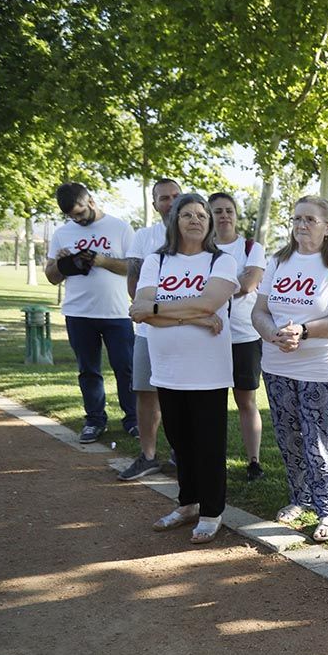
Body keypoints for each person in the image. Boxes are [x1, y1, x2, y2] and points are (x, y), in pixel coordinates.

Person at [253, 196, 328, 543]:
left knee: (319, 442)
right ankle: (299, 498)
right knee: (288, 437)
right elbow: (258, 310)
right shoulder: (278, 260)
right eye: (297, 218)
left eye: (310, 220)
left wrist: (305, 331)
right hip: (278, 365)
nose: (302, 225)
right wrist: (272, 334)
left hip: (323, 369)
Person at [129, 193, 238, 544]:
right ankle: (188, 503)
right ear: (174, 219)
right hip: (167, 370)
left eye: (201, 215)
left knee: (208, 444)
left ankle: (211, 511)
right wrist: (196, 317)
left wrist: (160, 311)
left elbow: (210, 302)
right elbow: (139, 308)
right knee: (180, 442)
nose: (195, 219)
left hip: (208, 371)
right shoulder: (156, 261)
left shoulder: (220, 261)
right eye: (187, 214)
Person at [45, 182, 138, 444]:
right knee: (88, 370)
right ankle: (95, 420)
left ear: (91, 202)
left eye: (80, 212)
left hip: (117, 312)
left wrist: (102, 261)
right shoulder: (62, 233)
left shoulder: (120, 227)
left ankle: (133, 420)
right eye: (72, 216)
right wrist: (63, 264)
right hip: (78, 312)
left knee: (126, 368)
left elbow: (133, 267)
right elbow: (52, 277)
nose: (77, 219)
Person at [119, 177, 181, 480]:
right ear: (155, 203)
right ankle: (148, 456)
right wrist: (151, 313)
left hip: (186, 331)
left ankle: (182, 452)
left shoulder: (197, 233)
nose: (170, 203)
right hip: (148, 330)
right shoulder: (145, 236)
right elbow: (134, 281)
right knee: (146, 392)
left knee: (183, 394)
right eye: (163, 198)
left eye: (175, 196)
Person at [209, 192, 267, 481]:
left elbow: (249, 283)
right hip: (208, 335)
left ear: (235, 214)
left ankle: (253, 461)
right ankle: (212, 458)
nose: (224, 216)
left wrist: (211, 291)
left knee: (246, 400)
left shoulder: (251, 247)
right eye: (217, 211)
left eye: (228, 210)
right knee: (211, 403)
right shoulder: (202, 249)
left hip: (244, 335)